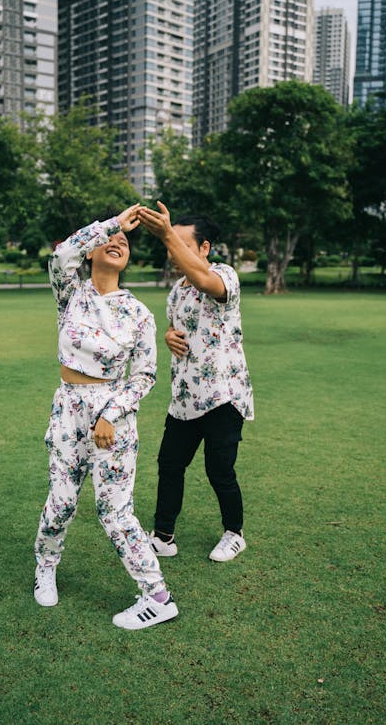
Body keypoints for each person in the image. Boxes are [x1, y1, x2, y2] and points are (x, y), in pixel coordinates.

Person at [33, 204, 178, 630]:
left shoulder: (138, 313)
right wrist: (113, 224)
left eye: (124, 243)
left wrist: (111, 414)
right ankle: (46, 565)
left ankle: (157, 595)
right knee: (60, 504)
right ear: (93, 250)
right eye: (109, 241)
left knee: (115, 512)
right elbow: (61, 255)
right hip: (68, 410)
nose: (117, 243)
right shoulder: (71, 292)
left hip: (113, 419)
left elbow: (146, 374)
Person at [137, 202, 254, 562]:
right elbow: (177, 328)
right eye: (171, 245)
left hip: (223, 395)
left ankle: (234, 533)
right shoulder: (176, 291)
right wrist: (170, 337)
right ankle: (162, 536)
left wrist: (167, 232)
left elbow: (206, 282)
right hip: (185, 397)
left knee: (219, 469)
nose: (174, 252)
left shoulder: (224, 275)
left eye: (184, 245)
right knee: (170, 464)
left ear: (204, 248)